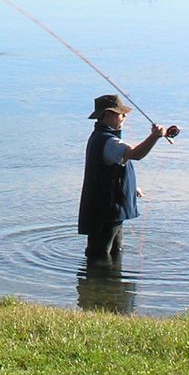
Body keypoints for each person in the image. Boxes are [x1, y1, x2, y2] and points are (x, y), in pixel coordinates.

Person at [77, 93, 178, 261]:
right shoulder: (108, 141)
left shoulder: (102, 138)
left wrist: (132, 187)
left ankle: (113, 281)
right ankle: (100, 282)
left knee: (116, 248)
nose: (124, 117)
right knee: (99, 252)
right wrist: (154, 137)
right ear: (108, 114)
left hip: (111, 207)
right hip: (107, 209)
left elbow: (116, 168)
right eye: (120, 113)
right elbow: (135, 154)